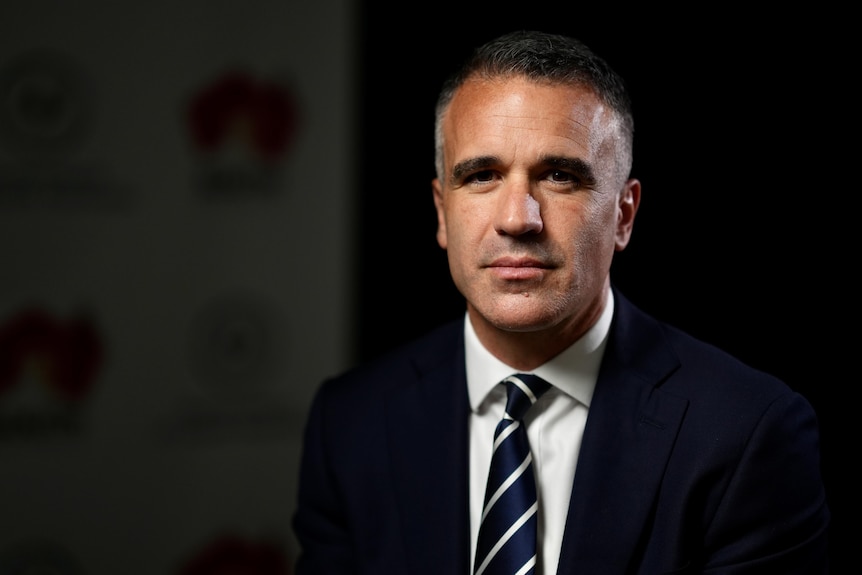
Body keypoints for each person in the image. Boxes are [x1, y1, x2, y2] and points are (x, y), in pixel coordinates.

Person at [291, 30, 830, 574]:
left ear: (623, 214)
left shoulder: (749, 434)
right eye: (482, 176)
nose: (518, 218)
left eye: (559, 176)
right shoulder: (350, 424)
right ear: (440, 212)